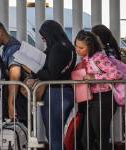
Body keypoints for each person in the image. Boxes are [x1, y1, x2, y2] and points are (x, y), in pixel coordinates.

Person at [32, 20, 77, 150]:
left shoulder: (58, 48)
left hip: (56, 94)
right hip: (64, 92)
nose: (43, 38)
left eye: (44, 35)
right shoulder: (68, 47)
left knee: (53, 134)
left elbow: (52, 75)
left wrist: (35, 70)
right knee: (55, 133)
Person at [75, 30, 122, 150]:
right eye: (76, 46)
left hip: (103, 99)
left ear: (90, 47)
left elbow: (116, 74)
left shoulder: (98, 57)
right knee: (86, 138)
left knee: (100, 137)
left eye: (81, 47)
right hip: (94, 99)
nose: (77, 50)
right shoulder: (87, 58)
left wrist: (94, 77)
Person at [0, 21, 27, 125]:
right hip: (16, 99)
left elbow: (15, 76)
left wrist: (11, 103)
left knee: (19, 135)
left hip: (18, 101)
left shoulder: (13, 48)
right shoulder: (7, 48)